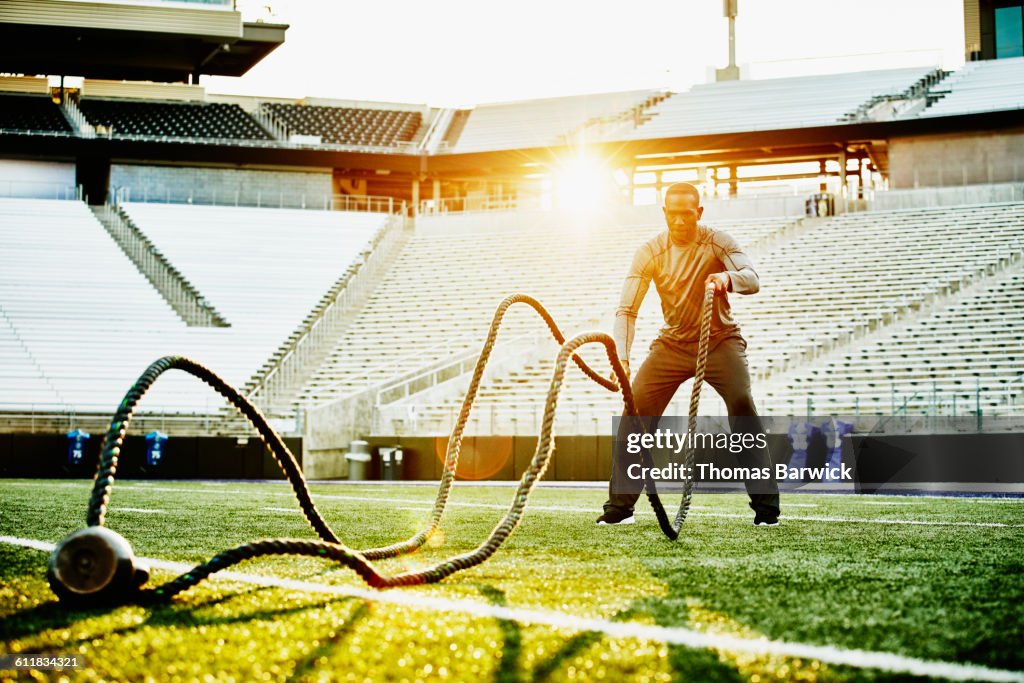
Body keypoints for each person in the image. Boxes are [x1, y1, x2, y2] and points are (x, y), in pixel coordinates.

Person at [597, 182, 781, 527]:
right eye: (673, 214)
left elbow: (752, 279)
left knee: (742, 403)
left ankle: (767, 510)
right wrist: (621, 358)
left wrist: (727, 279)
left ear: (698, 213)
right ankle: (619, 509)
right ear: (664, 214)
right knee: (634, 410)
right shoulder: (649, 252)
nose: (680, 221)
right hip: (672, 345)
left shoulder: (718, 240)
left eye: (687, 214)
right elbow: (626, 310)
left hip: (720, 341)